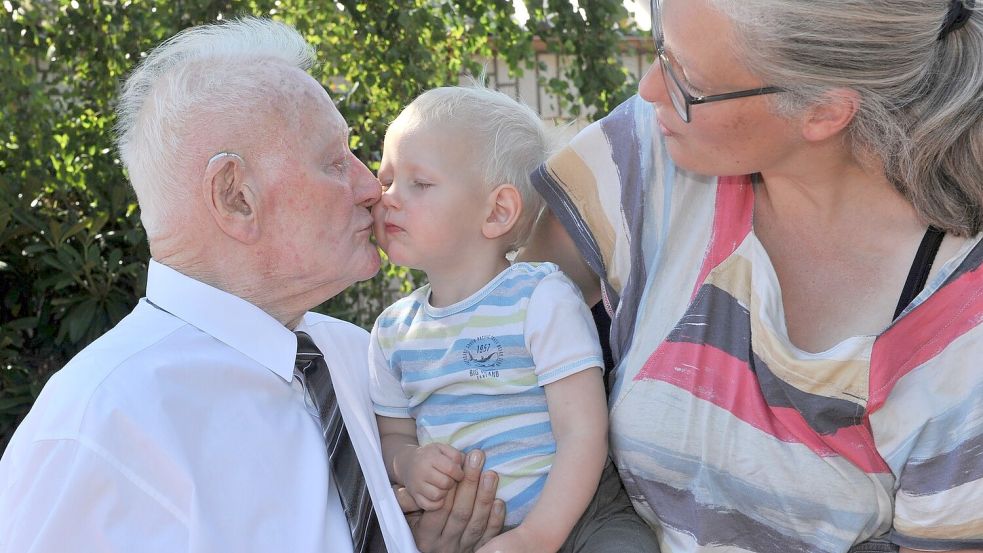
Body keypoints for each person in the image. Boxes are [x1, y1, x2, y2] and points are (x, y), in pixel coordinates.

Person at [0, 18, 504, 553]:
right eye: (336, 161)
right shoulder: (99, 429)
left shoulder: (363, 358)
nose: (370, 187)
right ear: (236, 196)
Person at [519, 0, 983, 552]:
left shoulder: (960, 340)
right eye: (661, 49)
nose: (647, 89)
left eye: (685, 78)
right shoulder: (644, 159)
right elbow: (499, 330)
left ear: (823, 113)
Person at [369, 85, 660, 553]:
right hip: (479, 533)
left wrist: (537, 537)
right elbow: (394, 434)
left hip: (580, 514)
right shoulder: (391, 332)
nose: (388, 198)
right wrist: (408, 463)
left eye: (418, 183)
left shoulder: (540, 298)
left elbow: (583, 432)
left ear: (498, 210)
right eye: (386, 180)